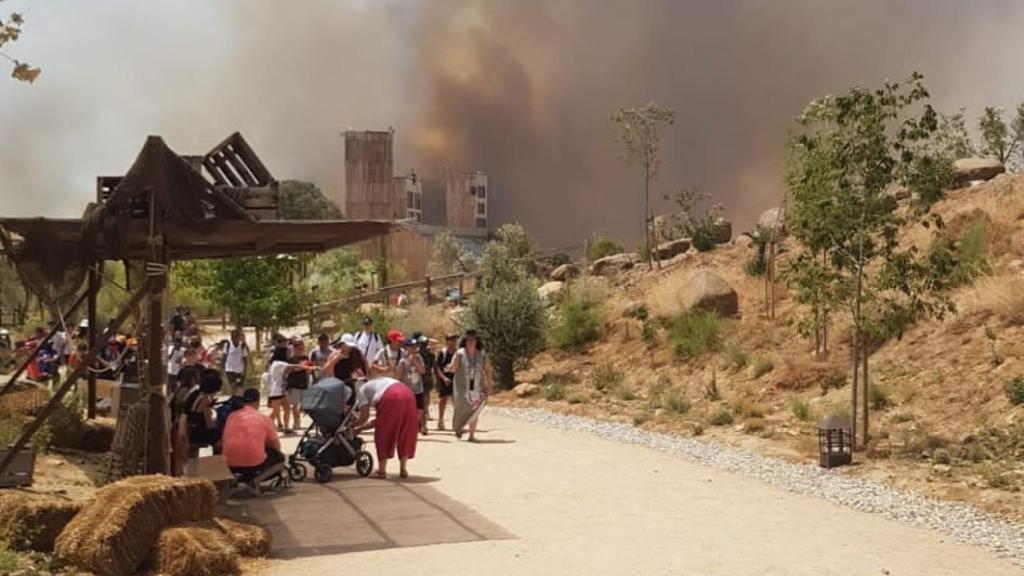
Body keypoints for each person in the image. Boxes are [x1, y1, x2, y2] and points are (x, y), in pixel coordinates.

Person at [351, 376, 418, 479]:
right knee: (405, 430)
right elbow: (381, 420)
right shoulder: (379, 381)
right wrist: (361, 429)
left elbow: (364, 417)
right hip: (408, 393)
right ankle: (403, 469)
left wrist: (352, 426)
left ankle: (381, 471)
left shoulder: (361, 390)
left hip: (390, 395)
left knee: (383, 434)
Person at [222, 388, 285, 490]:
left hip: (229, 464)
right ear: (258, 402)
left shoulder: (231, 416)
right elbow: (275, 445)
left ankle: (237, 478)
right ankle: (255, 481)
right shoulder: (264, 419)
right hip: (253, 465)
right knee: (280, 459)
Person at [447, 329, 494, 442]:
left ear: (477, 341)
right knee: (461, 408)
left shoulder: (482, 354)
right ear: (465, 341)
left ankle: (471, 435)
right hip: (462, 387)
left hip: (477, 386)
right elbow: (453, 368)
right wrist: (450, 367)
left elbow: (488, 371)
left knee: (475, 409)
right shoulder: (460, 353)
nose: (471, 342)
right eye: (468, 340)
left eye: (473, 340)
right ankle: (459, 427)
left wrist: (488, 386)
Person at [266, 347, 314, 433]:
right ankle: (265, 427)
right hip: (276, 391)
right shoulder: (278, 363)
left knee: (287, 408)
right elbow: (293, 367)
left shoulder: (279, 363)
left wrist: (304, 366)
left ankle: (286, 428)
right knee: (275, 412)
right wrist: (305, 365)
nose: (289, 354)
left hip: (282, 390)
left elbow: (293, 369)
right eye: (287, 353)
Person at [183, 368, 221, 475]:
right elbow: (209, 424)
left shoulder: (195, 394)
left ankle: (192, 472)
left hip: (191, 428)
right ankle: (216, 467)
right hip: (199, 431)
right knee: (220, 442)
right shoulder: (206, 400)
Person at [397, 338, 428, 435]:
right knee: (407, 410)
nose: (415, 349)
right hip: (407, 390)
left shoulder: (419, 358)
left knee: (420, 410)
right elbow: (399, 376)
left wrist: (415, 362)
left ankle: (416, 425)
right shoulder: (402, 361)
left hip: (418, 388)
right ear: (406, 348)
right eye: (412, 347)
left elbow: (423, 371)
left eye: (415, 346)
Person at [434, 334, 458, 432]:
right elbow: (437, 367)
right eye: (451, 340)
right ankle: (440, 420)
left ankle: (457, 422)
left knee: (456, 400)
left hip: (456, 379)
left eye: (455, 340)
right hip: (445, 379)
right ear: (447, 341)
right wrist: (444, 378)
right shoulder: (442, 353)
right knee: (443, 399)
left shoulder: (458, 353)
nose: (453, 342)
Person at [286, 340, 312, 430]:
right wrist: (301, 367)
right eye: (299, 349)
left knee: (304, 405)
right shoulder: (291, 359)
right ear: (295, 349)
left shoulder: (306, 358)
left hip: (304, 383)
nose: (301, 350)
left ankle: (300, 420)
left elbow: (309, 370)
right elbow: (291, 370)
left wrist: (307, 371)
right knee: (295, 404)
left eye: (302, 348)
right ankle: (296, 422)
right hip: (294, 384)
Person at [223, 330, 249, 394]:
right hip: (230, 369)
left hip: (239, 369)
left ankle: (240, 398)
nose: (236, 338)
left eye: (237, 336)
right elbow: (224, 357)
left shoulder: (242, 346)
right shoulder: (227, 345)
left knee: (240, 385)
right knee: (233, 384)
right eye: (234, 337)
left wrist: (244, 371)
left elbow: (245, 360)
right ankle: (233, 397)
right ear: (232, 338)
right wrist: (222, 368)